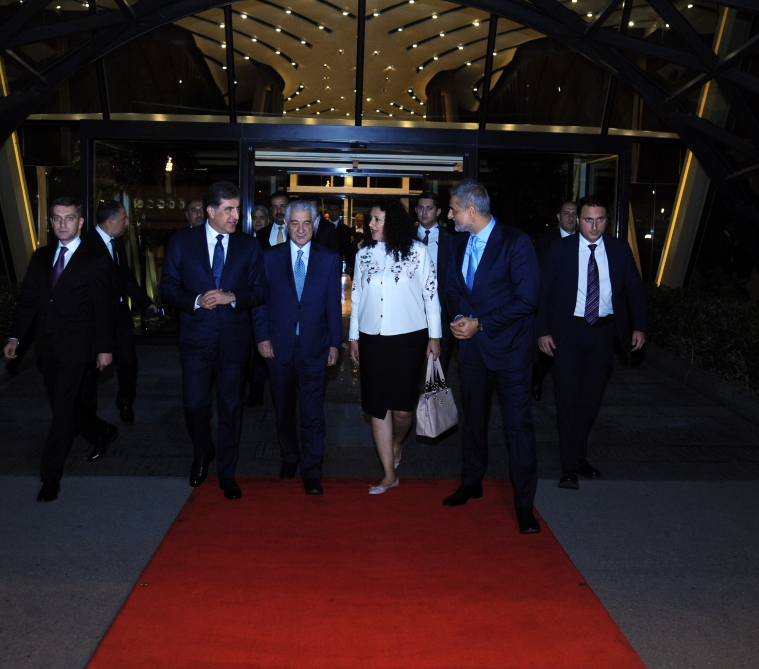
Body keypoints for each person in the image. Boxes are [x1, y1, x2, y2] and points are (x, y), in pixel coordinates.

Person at [443, 179, 541, 535]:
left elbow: (527, 299)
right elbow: (452, 289)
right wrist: (459, 317)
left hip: (511, 350)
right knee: (473, 421)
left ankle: (524, 506)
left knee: (517, 426)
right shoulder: (458, 244)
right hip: (471, 351)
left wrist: (480, 323)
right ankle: (471, 482)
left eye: (454, 209)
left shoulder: (516, 242)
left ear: (471, 211)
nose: (449, 215)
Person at [3, 197, 116, 502]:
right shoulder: (41, 257)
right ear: (50, 222)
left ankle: (50, 477)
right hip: (47, 347)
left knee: (62, 412)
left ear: (80, 222)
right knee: (65, 404)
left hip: (78, 348)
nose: (62, 224)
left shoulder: (95, 259)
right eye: (56, 218)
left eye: (69, 218)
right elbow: (29, 301)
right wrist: (15, 338)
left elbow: (103, 308)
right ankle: (101, 432)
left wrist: (105, 348)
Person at [160, 181, 268, 500]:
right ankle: (202, 450)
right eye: (229, 209)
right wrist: (195, 300)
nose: (236, 216)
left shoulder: (248, 246)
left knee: (231, 408)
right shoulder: (182, 242)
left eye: (237, 209)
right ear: (210, 211)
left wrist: (233, 296)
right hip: (196, 340)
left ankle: (227, 472)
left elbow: (261, 291)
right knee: (195, 405)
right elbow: (167, 288)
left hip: (234, 341)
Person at [538, 194, 646, 490]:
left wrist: (639, 327)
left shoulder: (619, 250)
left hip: (603, 334)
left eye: (599, 220)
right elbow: (542, 292)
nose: (594, 226)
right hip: (568, 334)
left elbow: (635, 290)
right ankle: (569, 467)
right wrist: (542, 331)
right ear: (577, 219)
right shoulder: (560, 250)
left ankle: (579, 456)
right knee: (567, 400)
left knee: (590, 400)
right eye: (588, 220)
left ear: (607, 220)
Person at [349, 198, 441, 495]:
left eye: (376, 219)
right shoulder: (363, 254)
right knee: (377, 406)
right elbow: (357, 296)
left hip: (409, 338)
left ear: (393, 223)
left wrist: (435, 336)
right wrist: (353, 337)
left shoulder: (419, 252)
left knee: (402, 410)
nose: (370, 224)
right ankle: (389, 474)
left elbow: (431, 296)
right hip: (371, 338)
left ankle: (397, 442)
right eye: (371, 219)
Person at [253, 200, 342, 495]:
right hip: (278, 347)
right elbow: (260, 303)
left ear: (314, 225)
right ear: (286, 225)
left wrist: (334, 343)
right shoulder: (269, 257)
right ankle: (290, 456)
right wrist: (262, 337)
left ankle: (312, 470)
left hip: (315, 346)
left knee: (313, 412)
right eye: (295, 223)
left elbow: (334, 304)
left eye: (306, 223)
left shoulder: (329, 258)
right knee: (283, 409)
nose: (301, 230)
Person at [81, 200, 157, 425]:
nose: (127, 223)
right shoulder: (85, 245)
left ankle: (125, 403)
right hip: (94, 321)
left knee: (128, 363)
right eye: (124, 218)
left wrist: (146, 303)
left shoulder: (117, 245)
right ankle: (87, 417)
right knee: (91, 370)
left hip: (121, 319)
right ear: (111, 220)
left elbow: (126, 278)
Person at [531, 200, 577, 401]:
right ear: (559, 217)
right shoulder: (546, 241)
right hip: (553, 305)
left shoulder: (585, 240)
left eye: (574, 214)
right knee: (548, 350)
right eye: (566, 213)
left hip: (577, 308)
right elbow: (540, 276)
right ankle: (537, 378)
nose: (570, 217)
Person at [416, 191, 454, 374]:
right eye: (420, 208)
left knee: (439, 365)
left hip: (441, 309)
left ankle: (436, 391)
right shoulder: (406, 237)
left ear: (438, 212)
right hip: (413, 309)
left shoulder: (451, 238)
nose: (424, 212)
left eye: (429, 208)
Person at [327, 199, 354, 275]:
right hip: (323, 261)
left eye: (335, 210)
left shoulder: (345, 229)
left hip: (337, 261)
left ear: (340, 212)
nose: (332, 212)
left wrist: (349, 265)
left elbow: (347, 248)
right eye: (330, 210)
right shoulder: (322, 227)